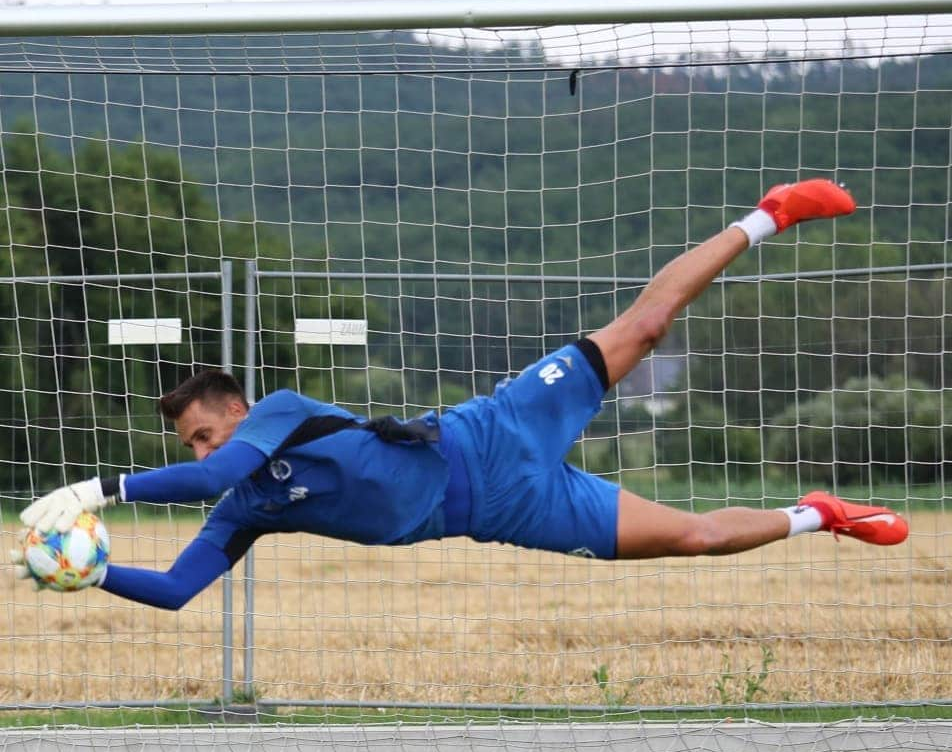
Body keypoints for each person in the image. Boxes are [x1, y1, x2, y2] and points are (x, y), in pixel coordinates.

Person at [12, 179, 909, 610]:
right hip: (515, 507)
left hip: (492, 428)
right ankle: (820, 515)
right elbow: (175, 590)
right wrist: (93, 572)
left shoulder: (277, 413)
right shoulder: (243, 509)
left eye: (207, 434)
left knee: (642, 331)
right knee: (698, 537)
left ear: (238, 410)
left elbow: (214, 477)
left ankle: (769, 214)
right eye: (193, 446)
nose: (204, 455)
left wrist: (100, 491)